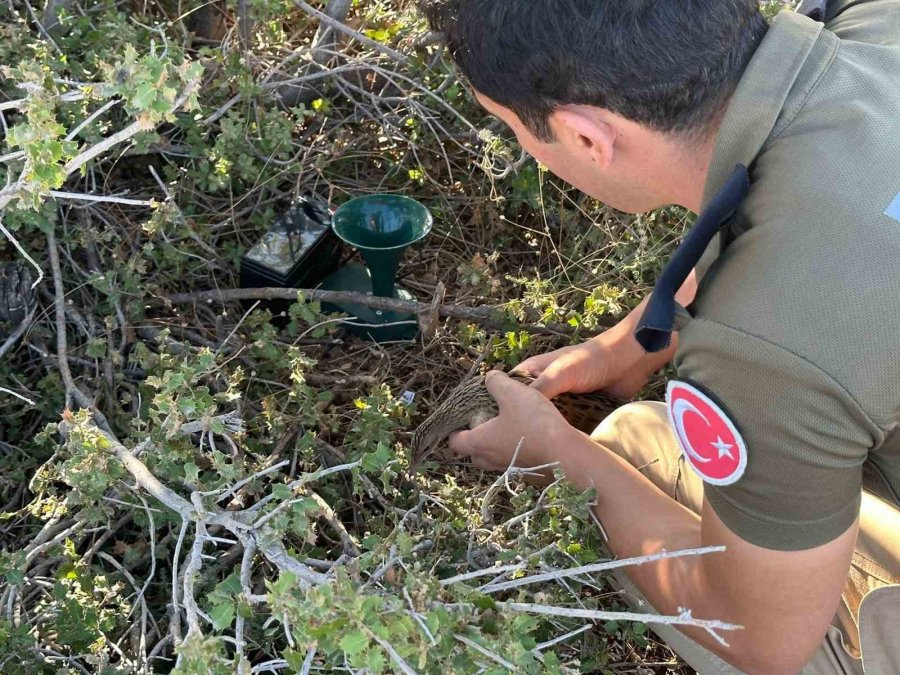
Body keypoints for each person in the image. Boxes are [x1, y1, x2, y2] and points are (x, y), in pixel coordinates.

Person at [418, 1, 900, 673]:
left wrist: (557, 454)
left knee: (631, 447)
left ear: (586, 137)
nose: (524, 152)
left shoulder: (762, 352)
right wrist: (631, 341)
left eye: (512, 130)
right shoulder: (877, 22)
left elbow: (760, 638)